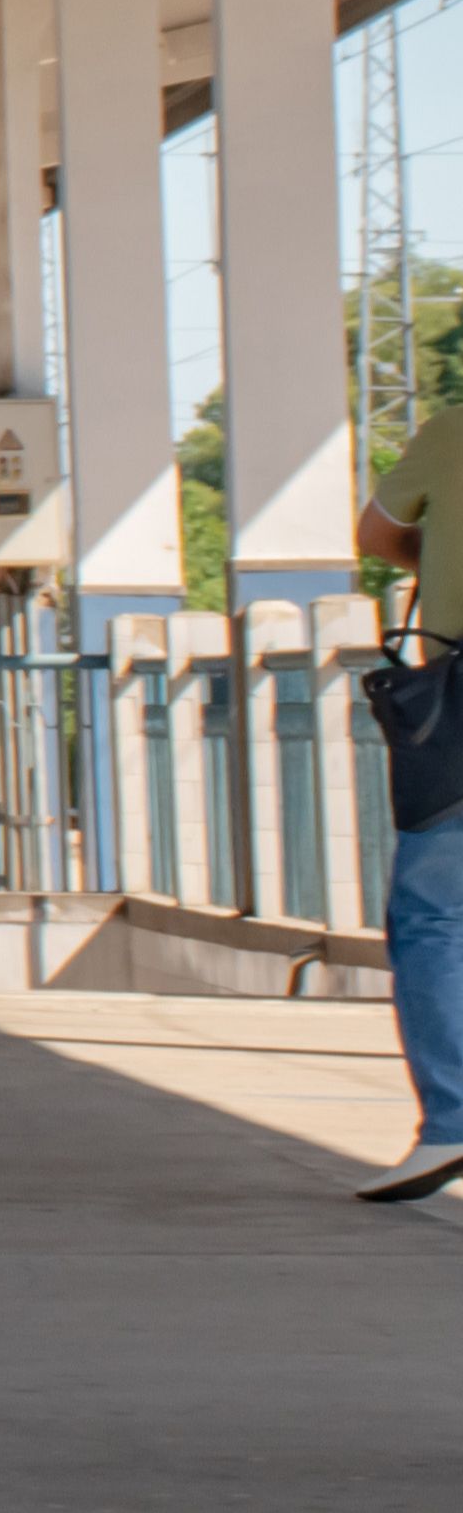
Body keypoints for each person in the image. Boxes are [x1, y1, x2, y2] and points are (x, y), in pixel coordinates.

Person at [354, 403, 463, 1200]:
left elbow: (378, 535)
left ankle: (453, 1120)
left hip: (456, 707)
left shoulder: (454, 428)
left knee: (432, 912)